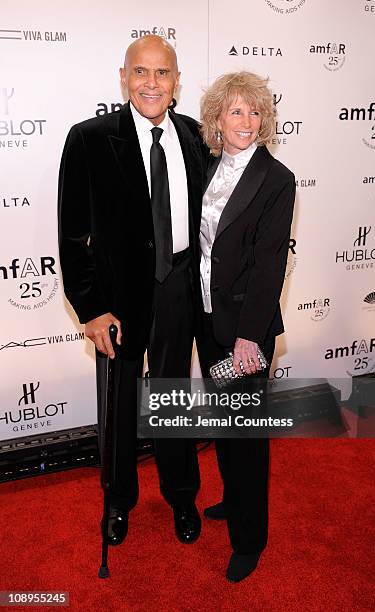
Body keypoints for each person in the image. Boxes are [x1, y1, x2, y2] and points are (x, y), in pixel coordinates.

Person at [58, 35, 206, 547]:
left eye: (162, 73)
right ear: (123, 78)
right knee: (120, 408)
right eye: (140, 72)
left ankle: (182, 495)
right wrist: (92, 308)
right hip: (117, 302)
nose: (151, 83)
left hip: (179, 290)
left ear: (176, 83)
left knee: (173, 397)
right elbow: (72, 235)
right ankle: (118, 502)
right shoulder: (89, 139)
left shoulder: (193, 135)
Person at [196, 71, 295, 582]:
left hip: (244, 329)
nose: (248, 121)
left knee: (248, 437)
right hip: (208, 319)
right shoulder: (209, 167)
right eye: (236, 110)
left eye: (255, 111)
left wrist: (248, 338)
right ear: (217, 118)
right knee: (225, 427)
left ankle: (250, 539)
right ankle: (234, 502)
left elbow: (269, 266)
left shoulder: (276, 180)